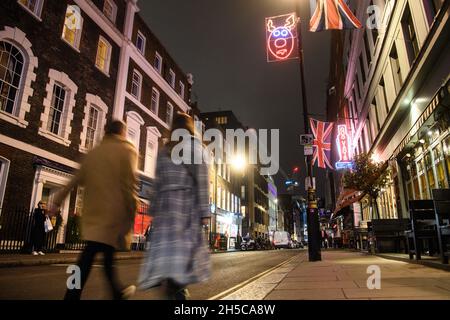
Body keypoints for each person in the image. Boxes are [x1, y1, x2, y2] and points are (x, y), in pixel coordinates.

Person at [51, 120, 138, 300]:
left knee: (91, 258)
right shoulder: (127, 151)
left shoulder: (94, 153)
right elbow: (129, 186)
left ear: (106, 132)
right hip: (113, 215)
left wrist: (56, 201)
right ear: (122, 132)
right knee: (96, 258)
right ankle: (113, 292)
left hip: (93, 215)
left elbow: (75, 179)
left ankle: (77, 294)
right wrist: (132, 211)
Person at [138, 113, 211, 300]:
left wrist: (154, 209)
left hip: (165, 213)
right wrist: (204, 213)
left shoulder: (164, 151)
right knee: (181, 266)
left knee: (169, 265)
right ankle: (179, 295)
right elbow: (202, 182)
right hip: (185, 210)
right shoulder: (196, 148)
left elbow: (157, 182)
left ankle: (174, 291)